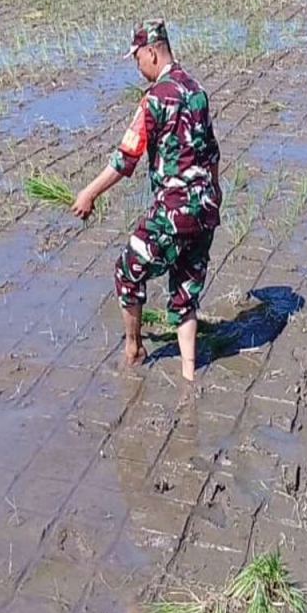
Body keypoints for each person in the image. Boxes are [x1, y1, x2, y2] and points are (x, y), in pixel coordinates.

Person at [72, 21, 222, 381]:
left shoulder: (155, 98)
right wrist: (212, 198)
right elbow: (213, 153)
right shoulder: (197, 90)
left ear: (152, 52)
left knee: (127, 272)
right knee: (185, 291)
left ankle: (134, 348)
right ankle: (189, 375)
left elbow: (126, 158)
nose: (138, 67)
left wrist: (89, 193)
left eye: (138, 58)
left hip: (174, 209)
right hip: (205, 208)